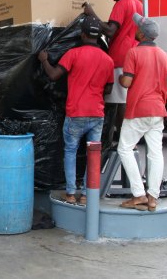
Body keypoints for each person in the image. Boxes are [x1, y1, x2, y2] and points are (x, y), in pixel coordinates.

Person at [38, 16, 114, 204]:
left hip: (76, 113)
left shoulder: (74, 54)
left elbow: (54, 75)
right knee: (93, 155)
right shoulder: (108, 60)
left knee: (71, 151)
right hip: (97, 114)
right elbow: (110, 89)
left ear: (82, 35)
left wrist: (44, 60)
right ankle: (87, 195)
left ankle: (71, 193)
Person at [117, 13, 167, 211]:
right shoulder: (164, 55)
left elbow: (126, 82)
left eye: (137, 28)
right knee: (155, 153)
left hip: (138, 109)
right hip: (158, 111)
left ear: (141, 34)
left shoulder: (133, 53)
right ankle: (153, 197)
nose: (134, 30)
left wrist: (119, 79)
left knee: (124, 148)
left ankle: (139, 194)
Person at [84, 0, 143, 143]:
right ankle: (125, 139)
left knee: (116, 101)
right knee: (124, 99)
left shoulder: (121, 4)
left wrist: (92, 14)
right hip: (133, 55)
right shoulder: (139, 4)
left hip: (119, 57)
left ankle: (119, 140)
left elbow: (110, 31)